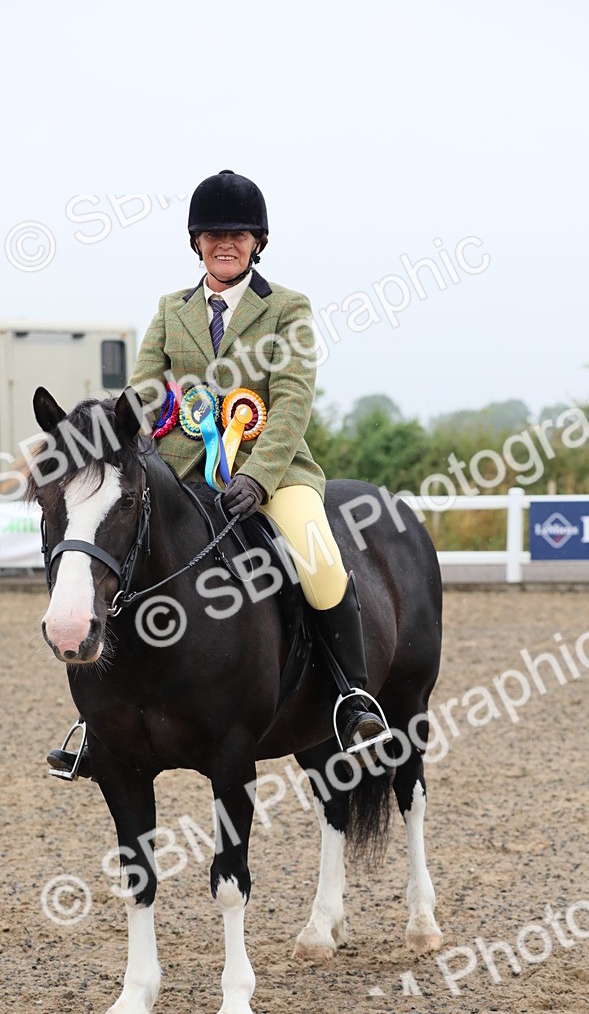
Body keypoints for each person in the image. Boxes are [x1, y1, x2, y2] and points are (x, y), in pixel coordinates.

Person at [48, 169, 389, 779]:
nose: (223, 243)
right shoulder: (171, 309)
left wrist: (259, 476)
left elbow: (291, 399)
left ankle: (350, 697)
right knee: (119, 556)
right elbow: (146, 388)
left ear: (257, 241)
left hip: (272, 472)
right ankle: (100, 721)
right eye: (211, 234)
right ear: (196, 243)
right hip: (179, 468)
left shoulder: (286, 308)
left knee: (318, 557)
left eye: (236, 233)